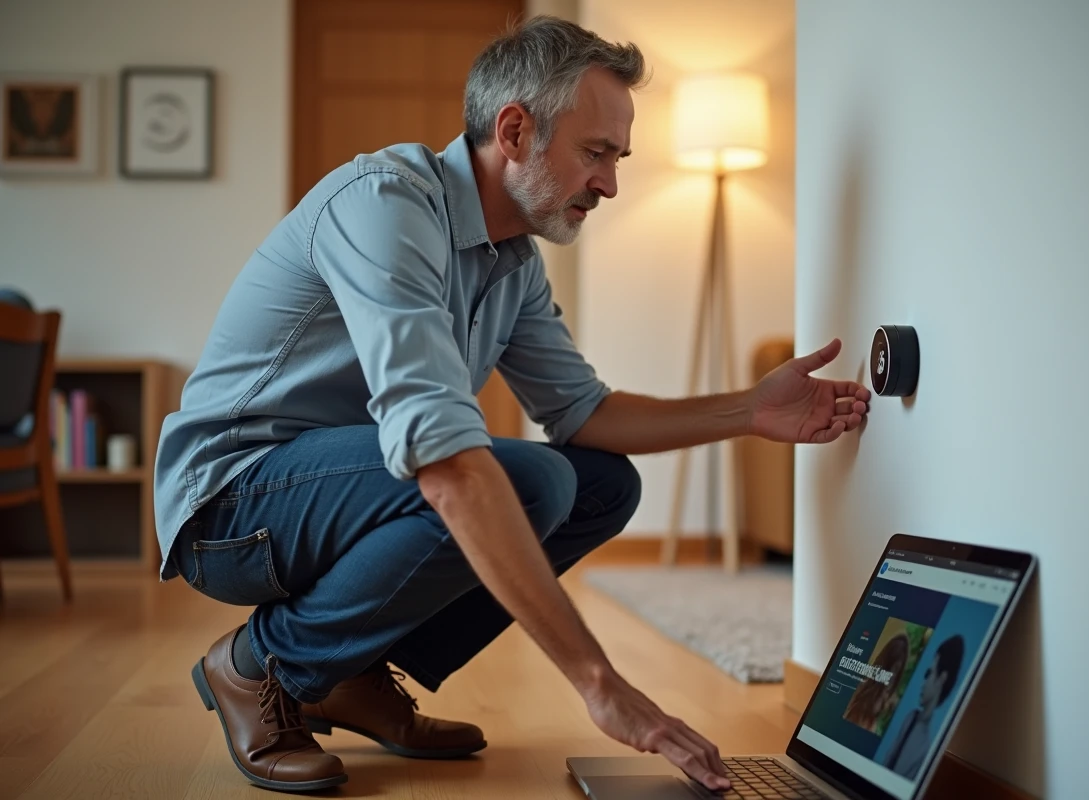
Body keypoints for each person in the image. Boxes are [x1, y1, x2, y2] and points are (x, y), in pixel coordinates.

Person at [153, 15, 872, 794]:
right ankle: (261, 665)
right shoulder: (385, 206)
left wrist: (748, 411)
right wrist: (600, 683)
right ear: (516, 129)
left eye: (617, 158)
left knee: (602, 482)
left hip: (337, 498)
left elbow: (584, 414)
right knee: (527, 480)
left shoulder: (514, 261)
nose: (610, 183)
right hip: (230, 507)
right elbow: (444, 462)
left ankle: (346, 669)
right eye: (596, 153)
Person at [881, 635, 966, 779]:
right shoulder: (911, 718)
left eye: (929, 674)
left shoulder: (927, 746)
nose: (923, 682)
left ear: (942, 678)